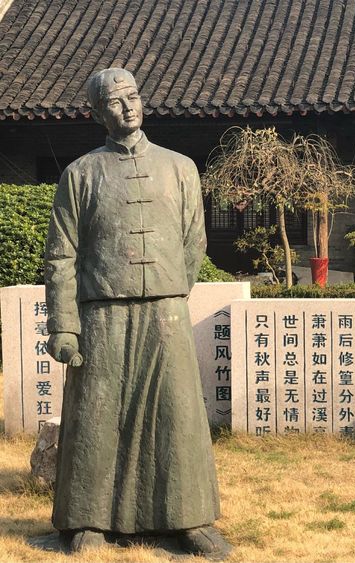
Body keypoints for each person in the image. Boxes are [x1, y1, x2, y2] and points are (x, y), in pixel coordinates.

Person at [44, 68, 230, 557]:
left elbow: (193, 241)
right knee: (95, 414)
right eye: (114, 101)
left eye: (132, 96)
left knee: (177, 413)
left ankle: (188, 519)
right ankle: (86, 521)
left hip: (165, 310)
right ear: (96, 113)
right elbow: (61, 256)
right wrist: (64, 325)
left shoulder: (180, 168)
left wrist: (167, 286)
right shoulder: (80, 175)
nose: (127, 107)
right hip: (101, 314)